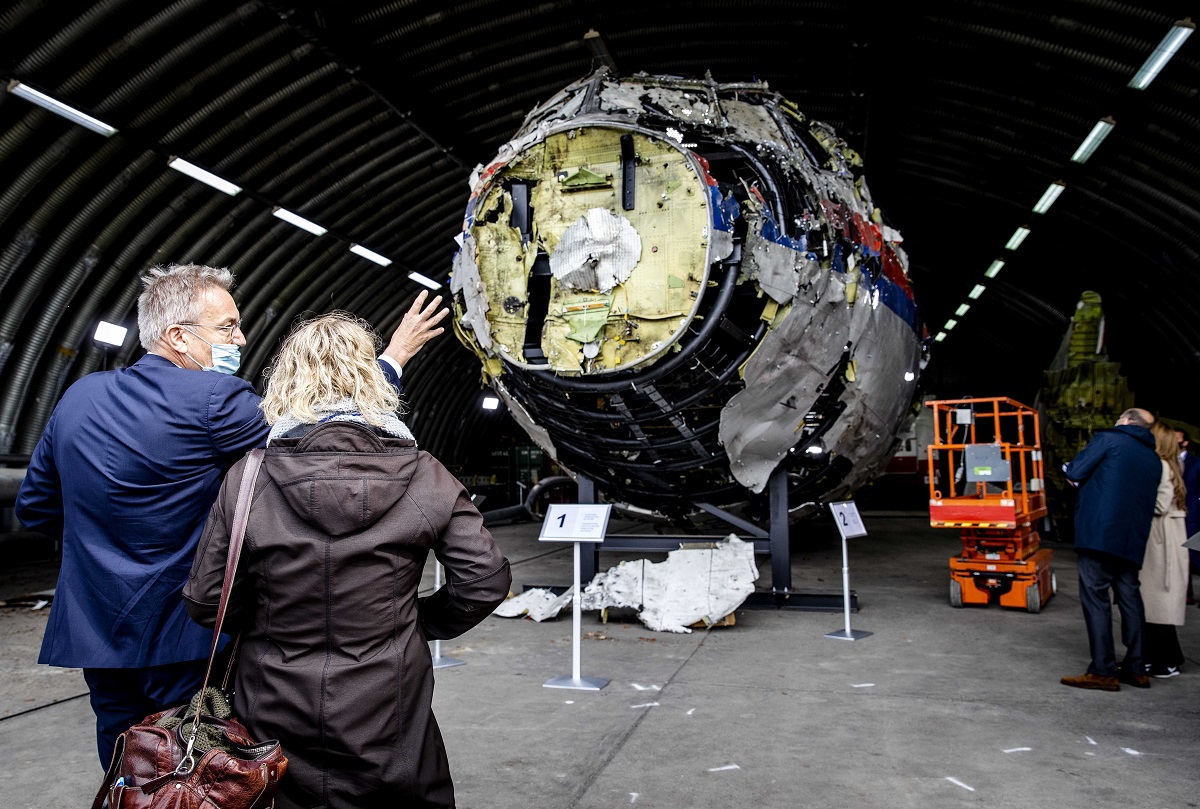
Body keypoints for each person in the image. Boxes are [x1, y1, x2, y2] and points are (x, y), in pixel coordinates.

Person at [14, 263, 448, 768]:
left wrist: (103, 546)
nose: (240, 339)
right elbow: (318, 440)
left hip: (96, 629)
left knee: (125, 765)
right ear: (177, 335)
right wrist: (391, 359)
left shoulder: (78, 398)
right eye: (226, 327)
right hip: (189, 632)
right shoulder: (216, 398)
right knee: (196, 774)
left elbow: (36, 507)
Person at [183, 313, 510, 809]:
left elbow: (207, 598)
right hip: (388, 695)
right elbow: (484, 580)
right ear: (370, 379)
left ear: (287, 382)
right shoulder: (425, 474)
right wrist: (416, 622)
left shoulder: (250, 477)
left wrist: (273, 623)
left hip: (272, 695)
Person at [1060, 407, 1162, 691]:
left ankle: (1103, 671)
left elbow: (1077, 471)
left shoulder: (1109, 439)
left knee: (1096, 597)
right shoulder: (1154, 459)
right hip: (1132, 538)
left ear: (1127, 420)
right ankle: (1136, 667)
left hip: (1099, 533)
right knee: (1130, 597)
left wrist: (1069, 470)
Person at [1141, 421, 1189, 677]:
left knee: (1156, 601)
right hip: (1170, 535)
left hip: (1161, 537)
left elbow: (1159, 505)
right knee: (1158, 601)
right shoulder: (1174, 465)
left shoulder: (1160, 466)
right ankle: (1156, 656)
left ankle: (1167, 660)